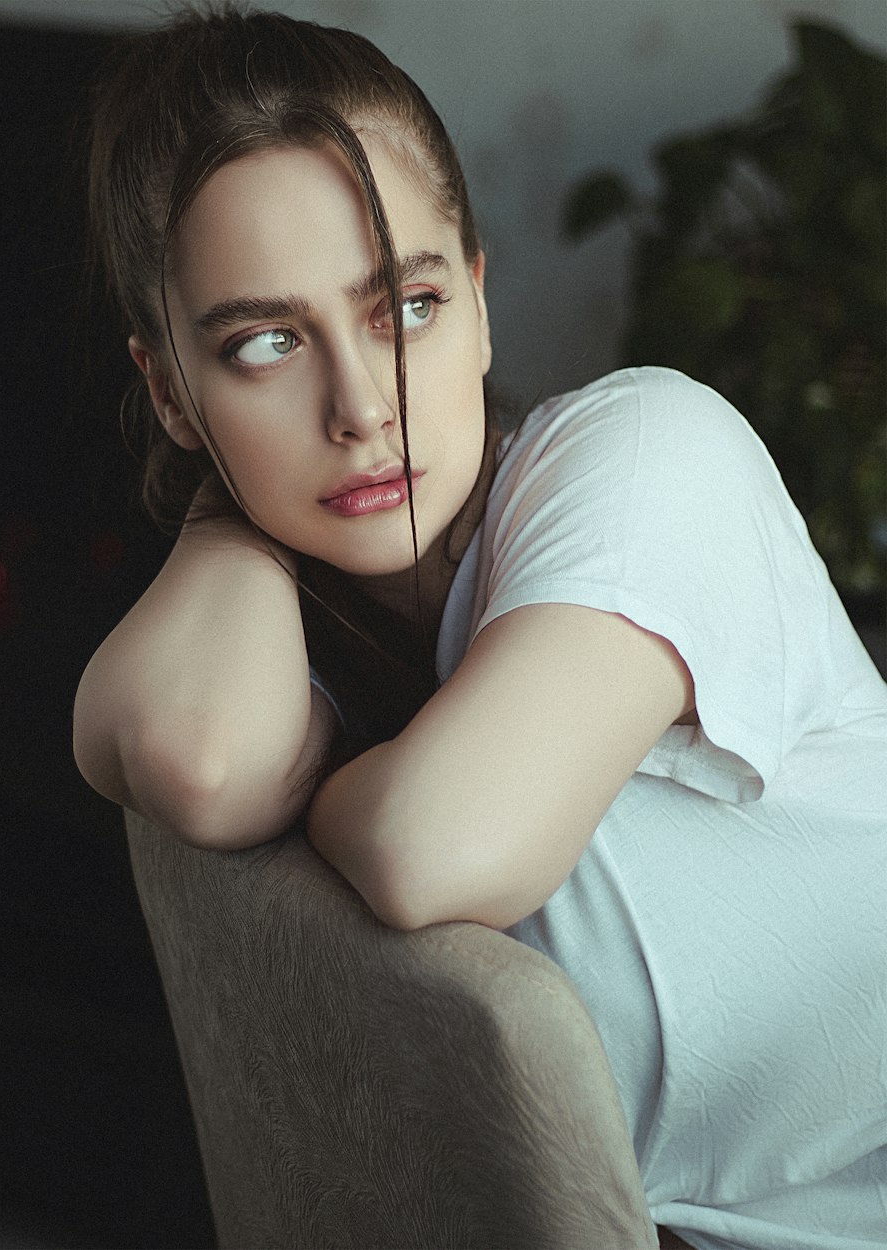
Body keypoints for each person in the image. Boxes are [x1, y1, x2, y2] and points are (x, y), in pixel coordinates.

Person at [73, 7, 887, 1248]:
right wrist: (227, 518)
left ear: (481, 301)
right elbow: (193, 754)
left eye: (404, 305)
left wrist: (339, 789)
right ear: (169, 389)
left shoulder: (646, 454)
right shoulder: (299, 641)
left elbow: (428, 843)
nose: (360, 407)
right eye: (267, 343)